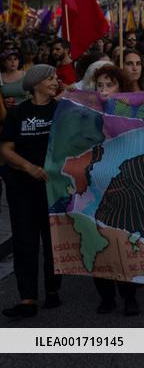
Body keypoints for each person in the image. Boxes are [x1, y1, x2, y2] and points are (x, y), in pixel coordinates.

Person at [1, 65, 63, 318]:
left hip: (53, 188)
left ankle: (52, 290)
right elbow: (5, 149)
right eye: (50, 78)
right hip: (22, 188)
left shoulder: (62, 110)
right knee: (25, 241)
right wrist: (29, 167)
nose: (55, 81)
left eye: (56, 78)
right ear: (36, 84)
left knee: (53, 241)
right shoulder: (18, 113)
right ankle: (27, 298)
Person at [90, 65, 141, 315]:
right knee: (97, 239)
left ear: (121, 87)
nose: (104, 91)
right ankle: (106, 296)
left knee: (122, 239)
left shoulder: (129, 111)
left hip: (123, 182)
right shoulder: (86, 111)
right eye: (99, 86)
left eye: (109, 85)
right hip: (95, 184)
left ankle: (129, 295)